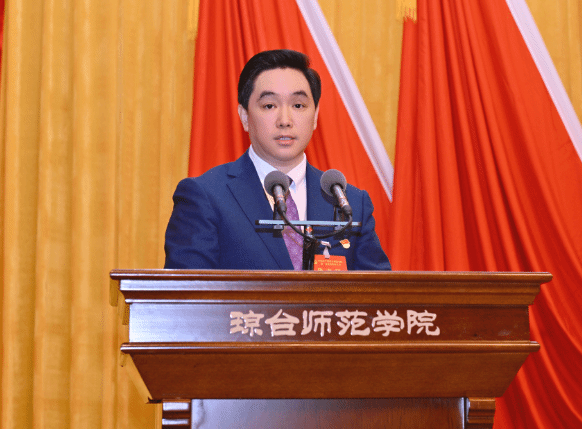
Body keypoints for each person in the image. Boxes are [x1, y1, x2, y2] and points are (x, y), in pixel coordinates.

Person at [164, 49, 391, 270]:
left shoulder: (350, 204)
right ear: (244, 116)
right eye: (269, 106)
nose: (285, 120)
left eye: (298, 105)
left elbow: (379, 292)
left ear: (315, 116)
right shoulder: (206, 197)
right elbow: (188, 291)